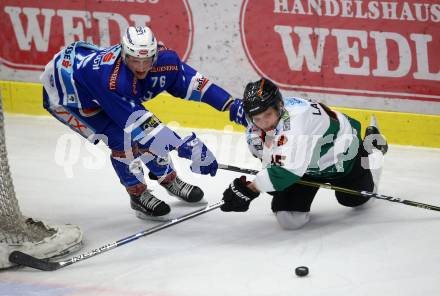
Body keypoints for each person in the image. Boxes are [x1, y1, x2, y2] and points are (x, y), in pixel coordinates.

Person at [41, 26, 243, 220]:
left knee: (146, 135)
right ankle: (137, 194)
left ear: (155, 54)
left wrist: (230, 105)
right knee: (122, 138)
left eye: (147, 60)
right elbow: (141, 126)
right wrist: (184, 147)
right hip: (68, 96)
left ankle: (169, 179)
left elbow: (196, 84)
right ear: (124, 55)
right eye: (135, 60)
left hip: (86, 73)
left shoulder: (166, 61)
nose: (141, 67)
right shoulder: (111, 80)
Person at [220, 78, 388, 229]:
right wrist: (254, 186)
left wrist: (251, 189)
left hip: (342, 160)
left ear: (279, 106)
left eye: (268, 115)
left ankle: (371, 148)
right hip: (306, 168)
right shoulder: (255, 129)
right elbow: (274, 166)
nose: (264, 123)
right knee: (289, 219)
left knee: (355, 201)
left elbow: (285, 172)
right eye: (257, 118)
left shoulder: (296, 122)